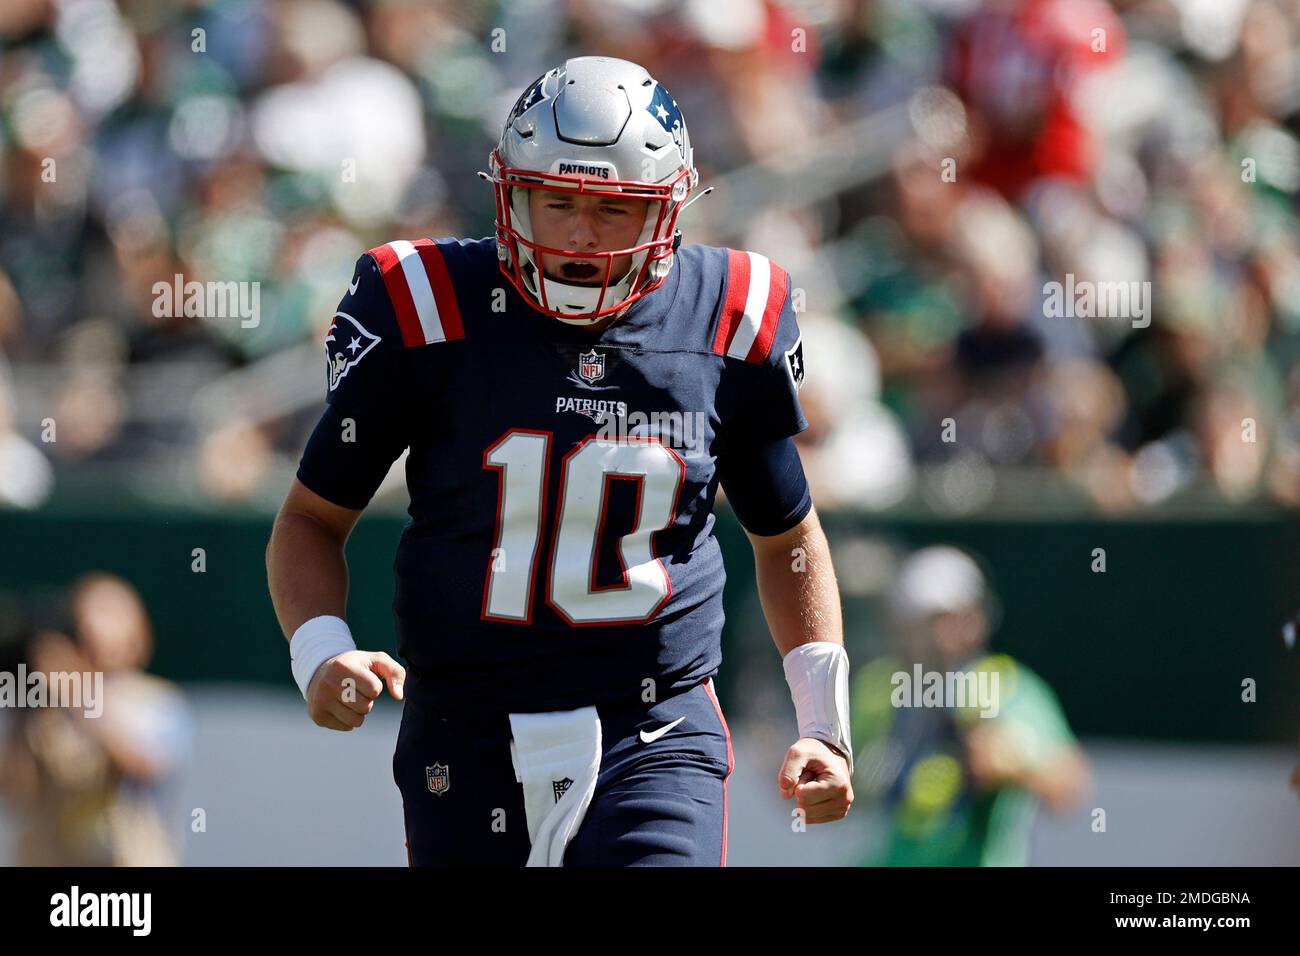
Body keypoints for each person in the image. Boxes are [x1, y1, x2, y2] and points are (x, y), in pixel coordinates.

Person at [266, 56, 853, 866]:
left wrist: (825, 725)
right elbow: (309, 520)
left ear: (668, 209)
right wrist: (320, 649)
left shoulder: (726, 317)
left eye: (614, 208)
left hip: (654, 730)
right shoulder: (426, 306)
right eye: (559, 201)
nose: (580, 234)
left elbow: (787, 538)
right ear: (511, 192)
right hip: (465, 732)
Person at [852, 546, 1090, 866]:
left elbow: (1069, 788)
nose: (932, 636)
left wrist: (1014, 762)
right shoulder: (878, 687)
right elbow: (851, 789)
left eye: (946, 618)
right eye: (920, 621)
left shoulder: (1011, 688)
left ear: (977, 618)